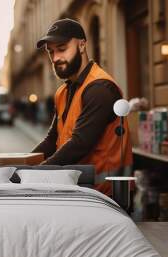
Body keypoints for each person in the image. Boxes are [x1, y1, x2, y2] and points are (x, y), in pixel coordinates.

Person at [32, 18, 133, 196]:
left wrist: (35, 173)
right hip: (80, 190)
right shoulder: (63, 91)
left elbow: (80, 144)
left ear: (82, 45)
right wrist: (23, 163)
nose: (55, 58)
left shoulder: (100, 88)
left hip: (106, 195)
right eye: (51, 52)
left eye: (62, 49)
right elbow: (51, 140)